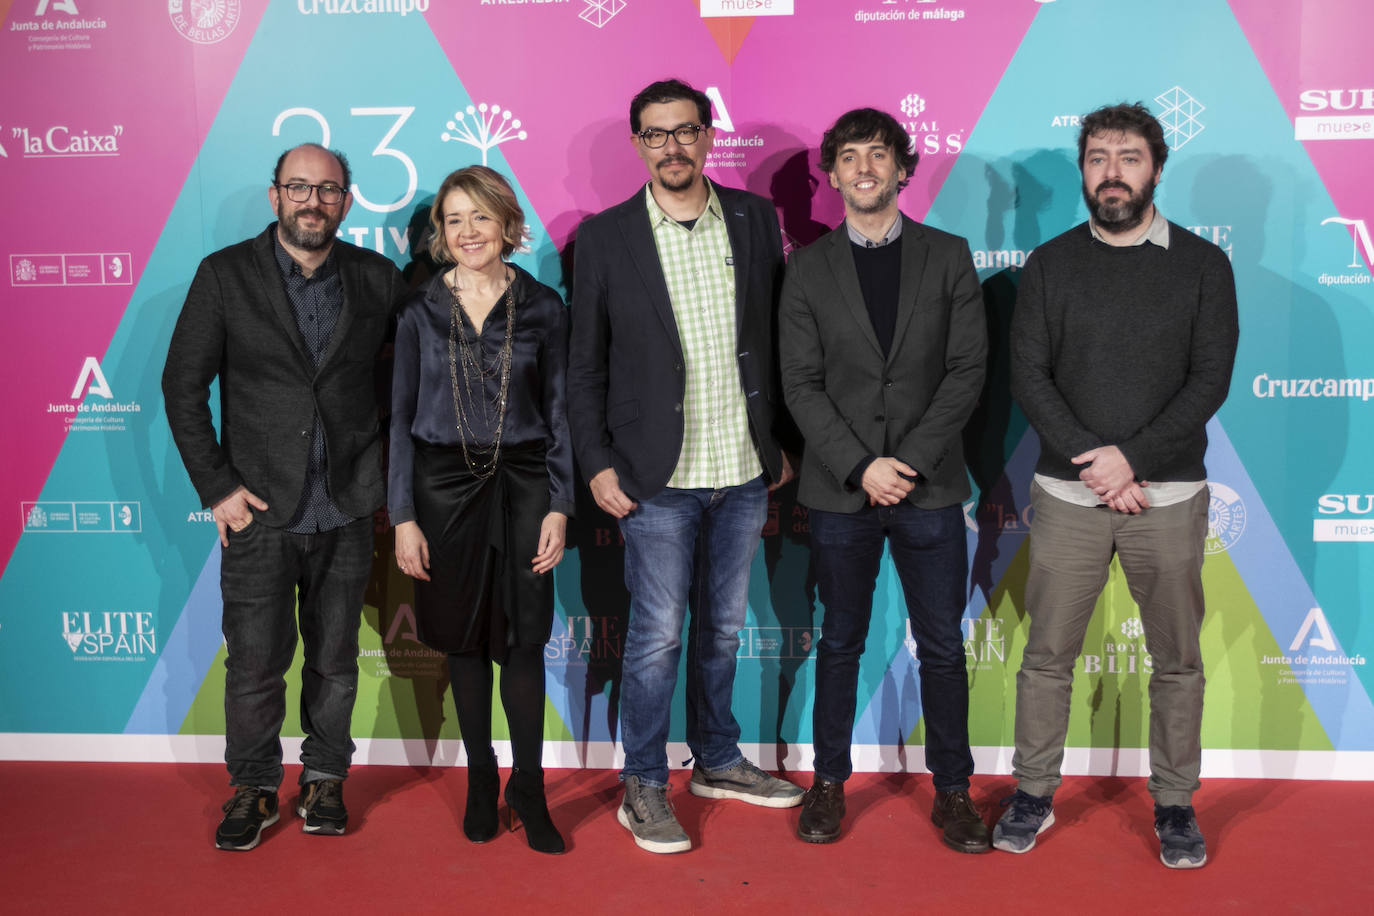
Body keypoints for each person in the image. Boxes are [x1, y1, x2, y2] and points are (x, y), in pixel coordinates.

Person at [995, 102, 1238, 869]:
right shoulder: (1051, 264)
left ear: (1156, 168)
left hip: (1166, 497)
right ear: (1084, 172)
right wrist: (1093, 462)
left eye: (1128, 157)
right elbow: (1030, 374)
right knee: (1047, 658)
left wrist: (1130, 459)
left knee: (1177, 662)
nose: (1112, 173)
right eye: (1098, 158)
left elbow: (1209, 381)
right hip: (1069, 496)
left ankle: (1174, 804)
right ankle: (1033, 791)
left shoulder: (1204, 266)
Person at [566, 78, 802, 854]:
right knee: (658, 634)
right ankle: (643, 781)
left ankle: (719, 760)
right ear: (639, 145)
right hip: (651, 475)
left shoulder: (753, 217)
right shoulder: (604, 238)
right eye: (656, 134)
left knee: (726, 630)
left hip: (740, 467)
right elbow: (585, 366)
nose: (672, 146)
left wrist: (781, 443)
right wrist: (596, 463)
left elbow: (775, 336)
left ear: (708, 137)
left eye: (685, 131)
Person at [162, 143, 406, 850]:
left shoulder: (376, 276)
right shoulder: (225, 275)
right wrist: (218, 489)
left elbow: (408, 375)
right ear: (274, 197)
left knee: (334, 660)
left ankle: (325, 778)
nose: (312, 201)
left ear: (346, 201)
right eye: (298, 187)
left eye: (327, 190)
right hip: (259, 511)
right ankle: (254, 788)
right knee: (256, 663)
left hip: (348, 507)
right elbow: (182, 388)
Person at [779, 108, 989, 851]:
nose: (864, 167)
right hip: (842, 492)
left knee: (940, 644)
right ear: (831, 174)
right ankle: (828, 785)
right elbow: (800, 385)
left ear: (904, 168)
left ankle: (955, 793)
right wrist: (862, 465)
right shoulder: (805, 267)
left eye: (879, 154)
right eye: (849, 156)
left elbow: (967, 372)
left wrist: (907, 465)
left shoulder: (949, 255)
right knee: (840, 641)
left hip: (929, 490)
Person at [389, 165, 572, 855]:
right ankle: (479, 778)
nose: (468, 233)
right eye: (454, 220)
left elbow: (559, 414)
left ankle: (529, 783)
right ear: (441, 232)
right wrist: (402, 514)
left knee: (523, 638)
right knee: (463, 640)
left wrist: (559, 503)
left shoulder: (544, 307)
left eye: (481, 218)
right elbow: (401, 418)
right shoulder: (417, 312)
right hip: (441, 491)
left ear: (506, 224)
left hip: (527, 484)